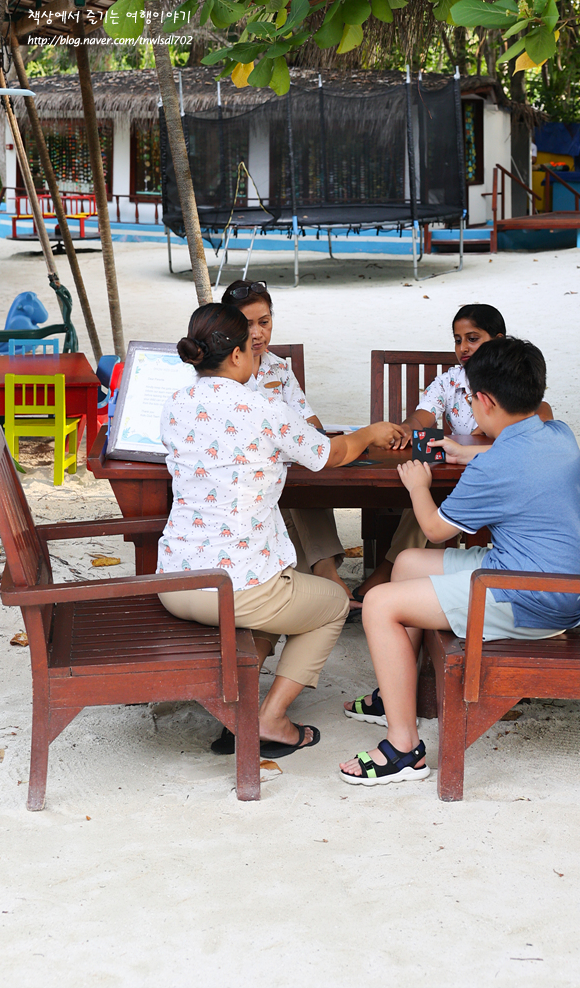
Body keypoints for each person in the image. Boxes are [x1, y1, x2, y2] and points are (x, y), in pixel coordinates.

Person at [340, 336, 580, 785]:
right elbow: (508, 454)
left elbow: (439, 529)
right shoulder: (558, 433)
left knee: (380, 603)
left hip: (532, 599)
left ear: (484, 400)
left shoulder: (494, 467)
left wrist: (418, 486)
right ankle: (397, 695)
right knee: (406, 564)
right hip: (559, 585)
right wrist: (465, 452)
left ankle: (403, 750)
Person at [158, 302, 402, 759]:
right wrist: (370, 434)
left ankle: (241, 710)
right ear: (235, 357)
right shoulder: (261, 406)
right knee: (330, 605)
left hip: (176, 581)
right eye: (250, 347)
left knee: (278, 597)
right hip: (238, 589)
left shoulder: (175, 404)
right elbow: (331, 453)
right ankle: (271, 719)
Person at [354, 304, 553, 600]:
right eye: (458, 340)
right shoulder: (450, 380)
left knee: (427, 491)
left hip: (493, 482)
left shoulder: (511, 384)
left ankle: (390, 568)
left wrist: (479, 437)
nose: (463, 347)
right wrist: (409, 428)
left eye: (473, 338)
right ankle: (410, 583)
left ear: (498, 339)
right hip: (460, 475)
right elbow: (422, 416)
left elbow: (541, 423)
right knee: (429, 486)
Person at [221, 279, 353, 603]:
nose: (258, 333)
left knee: (307, 471)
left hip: (284, 472)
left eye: (264, 323)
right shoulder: (220, 371)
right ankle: (324, 575)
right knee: (291, 476)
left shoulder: (278, 368)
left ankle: (321, 574)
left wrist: (294, 439)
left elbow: (312, 426)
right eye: (247, 324)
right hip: (242, 481)